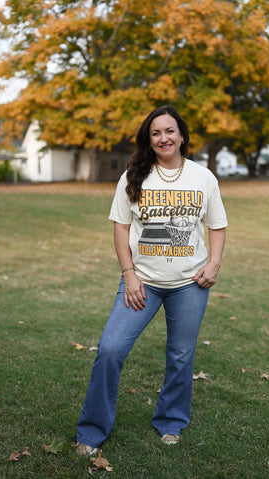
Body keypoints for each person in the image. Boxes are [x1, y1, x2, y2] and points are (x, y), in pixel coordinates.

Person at [75, 105, 228, 454]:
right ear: (149, 139)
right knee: (111, 349)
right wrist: (128, 274)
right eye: (156, 133)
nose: (163, 138)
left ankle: (170, 421)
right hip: (142, 282)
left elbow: (217, 225)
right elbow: (120, 226)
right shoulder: (134, 175)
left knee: (180, 355)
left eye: (169, 131)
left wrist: (214, 263)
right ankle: (92, 431)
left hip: (190, 284)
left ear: (182, 136)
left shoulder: (203, 177)